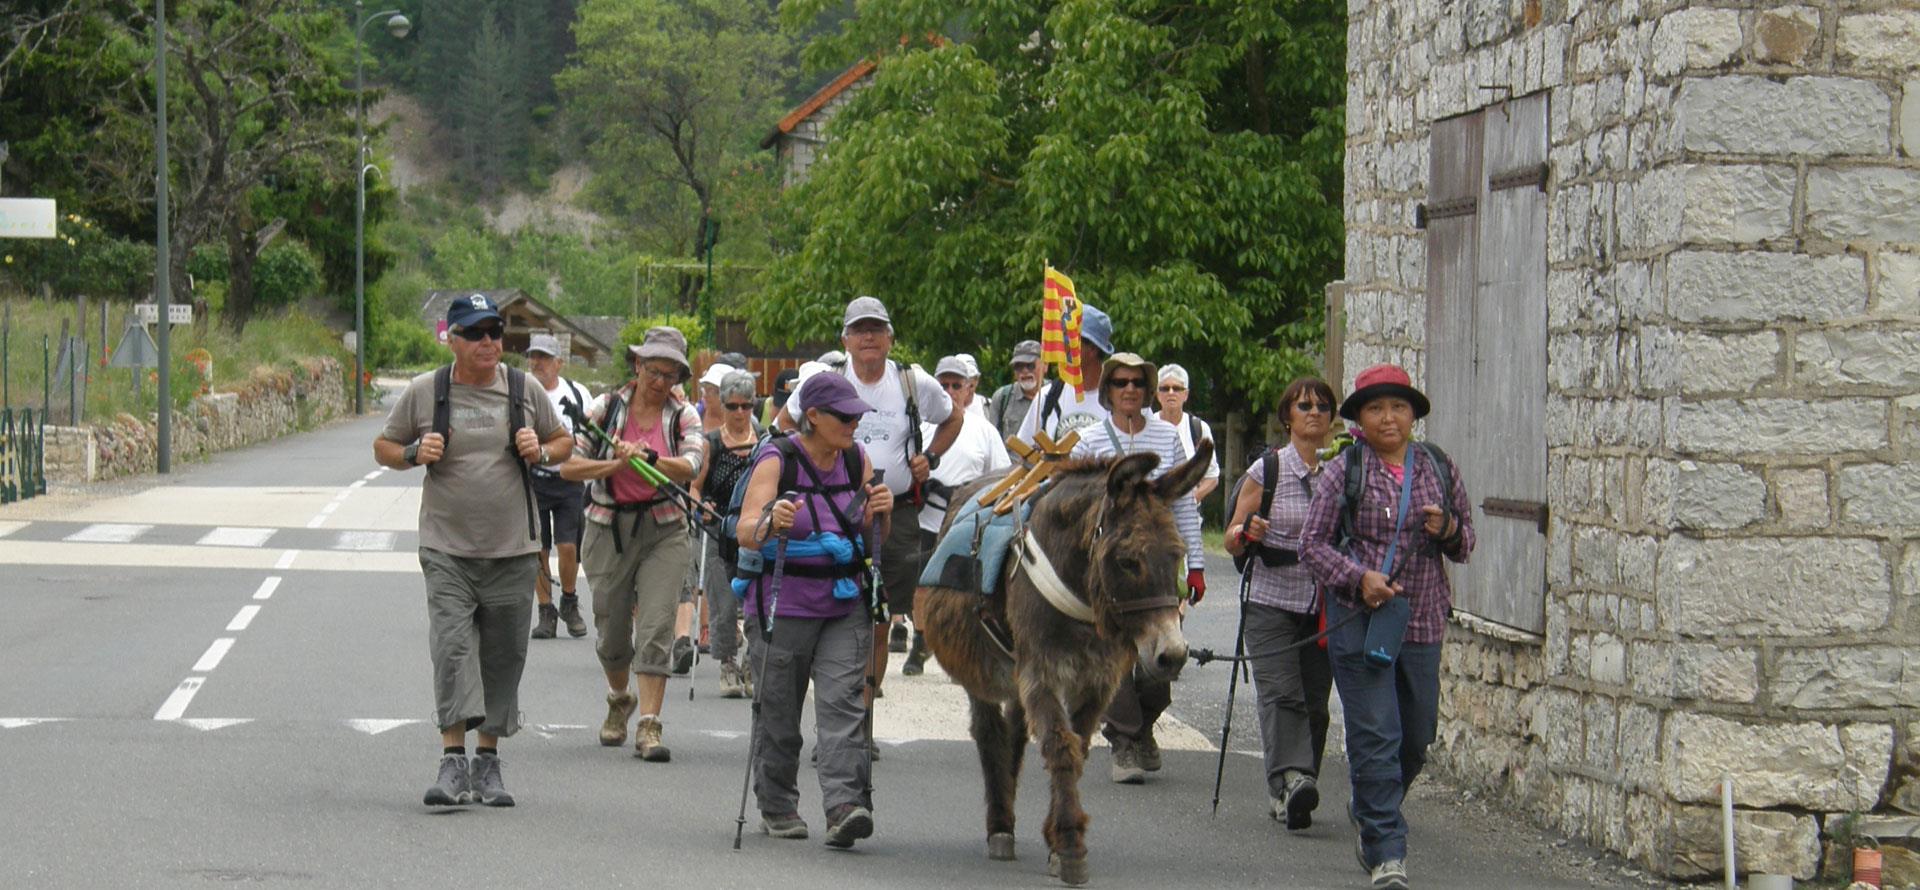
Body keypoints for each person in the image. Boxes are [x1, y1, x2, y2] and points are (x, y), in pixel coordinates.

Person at [374, 293, 573, 808]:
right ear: (453, 340)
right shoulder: (427, 391)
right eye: (477, 333)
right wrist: (415, 452)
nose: (489, 342)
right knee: (452, 648)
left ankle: (488, 762)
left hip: (512, 548)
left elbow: (563, 441)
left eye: (495, 333)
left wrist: (543, 450)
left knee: (504, 654)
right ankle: (452, 759)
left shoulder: (524, 389)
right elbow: (385, 447)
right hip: (446, 547)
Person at [1300, 364, 1474, 890]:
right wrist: (1359, 578)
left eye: (1398, 406)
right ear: (1360, 419)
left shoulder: (1438, 467)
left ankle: (1370, 802)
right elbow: (1312, 544)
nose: (1389, 417)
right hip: (1361, 621)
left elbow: (1466, 544)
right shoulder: (1343, 470)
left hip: (1419, 622)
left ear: (1413, 414)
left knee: (1417, 736)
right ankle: (1386, 850)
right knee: (1376, 734)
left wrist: (1446, 528)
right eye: (1376, 408)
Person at [775, 297, 960, 708]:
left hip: (894, 509)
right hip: (829, 510)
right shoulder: (825, 380)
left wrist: (930, 458)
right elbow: (784, 425)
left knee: (879, 615)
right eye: (859, 330)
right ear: (845, 339)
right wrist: (801, 471)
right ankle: (835, 705)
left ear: (891, 338)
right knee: (830, 608)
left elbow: (954, 417)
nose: (869, 337)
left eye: (876, 329)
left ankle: (862, 709)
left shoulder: (913, 382)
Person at [738, 372, 893, 848]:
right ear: (814, 417)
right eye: (844, 416)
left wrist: (878, 513)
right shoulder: (777, 458)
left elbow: (868, 539)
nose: (853, 423)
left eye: (856, 415)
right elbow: (746, 531)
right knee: (780, 710)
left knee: (845, 701)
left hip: (842, 601)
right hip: (782, 602)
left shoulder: (855, 459)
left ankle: (845, 805)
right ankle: (779, 803)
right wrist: (771, 519)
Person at [561, 326, 706, 763]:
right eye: (653, 370)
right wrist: (614, 462)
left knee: (657, 626)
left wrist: (651, 459)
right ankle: (619, 698)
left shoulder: (684, 416)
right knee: (611, 629)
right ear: (638, 366)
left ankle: (650, 724)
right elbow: (569, 467)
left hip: (665, 530)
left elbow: (692, 464)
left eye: (670, 374)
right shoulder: (605, 408)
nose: (660, 382)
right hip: (608, 528)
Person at [1068, 353, 1204, 785]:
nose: (1129, 390)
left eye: (1137, 383)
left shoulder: (1167, 437)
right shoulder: (1089, 440)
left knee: (1161, 658)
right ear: (1107, 391)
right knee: (1113, 657)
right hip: (1110, 567)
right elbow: (1067, 500)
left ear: (1147, 392)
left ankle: (1144, 725)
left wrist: (1195, 564)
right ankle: (1124, 741)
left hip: (1157, 567)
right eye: (1120, 382)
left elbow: (1183, 502)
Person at [1224, 377, 1338, 833]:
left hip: (1321, 602)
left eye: (1322, 406)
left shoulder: (1341, 470)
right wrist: (1245, 532)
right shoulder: (1266, 471)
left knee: (1315, 702)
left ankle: (1295, 785)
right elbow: (1232, 539)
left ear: (1332, 418)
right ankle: (1292, 780)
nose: (1313, 411)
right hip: (1269, 598)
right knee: (1282, 693)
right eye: (1303, 405)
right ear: (1286, 416)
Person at [907, 354, 1012, 675]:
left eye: (957, 384)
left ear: (969, 389)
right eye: (944, 384)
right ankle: (920, 641)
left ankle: (965, 645)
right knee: (923, 584)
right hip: (927, 514)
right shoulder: (921, 427)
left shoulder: (984, 430)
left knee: (966, 588)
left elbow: (1000, 475)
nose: (951, 390)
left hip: (967, 519)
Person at [691, 369, 762, 698]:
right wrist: (701, 505)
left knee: (756, 601)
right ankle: (727, 664)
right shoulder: (712, 443)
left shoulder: (764, 440)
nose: (739, 413)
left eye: (746, 406)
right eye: (732, 406)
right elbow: (694, 487)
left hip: (756, 529)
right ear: (722, 405)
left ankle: (753, 661)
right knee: (721, 600)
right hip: (719, 529)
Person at [525, 334, 591, 640]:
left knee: (568, 546)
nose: (538, 363)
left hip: (569, 479)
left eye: (544, 358)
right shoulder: (522, 392)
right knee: (538, 547)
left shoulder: (577, 393)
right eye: (534, 357)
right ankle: (545, 610)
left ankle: (569, 599)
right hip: (533, 478)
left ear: (559, 363)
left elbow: (593, 432)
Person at [1015, 303, 1114, 445]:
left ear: (1092, 349)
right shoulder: (1048, 396)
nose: (1062, 348)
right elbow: (1023, 451)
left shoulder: (1123, 397)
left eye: (1070, 341)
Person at [1155, 363, 1220, 504]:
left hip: (1190, 518)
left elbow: (1212, 476)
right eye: (1165, 388)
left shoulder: (1198, 428)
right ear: (1158, 395)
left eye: (1177, 388)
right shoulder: (1146, 426)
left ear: (1186, 395)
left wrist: (1191, 501)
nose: (1171, 393)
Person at [987, 339, 1042, 442]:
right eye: (1019, 366)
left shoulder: (1054, 395)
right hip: (1011, 458)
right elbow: (991, 441)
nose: (1025, 371)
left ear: (1045, 366)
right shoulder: (1002, 398)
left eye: (1030, 365)